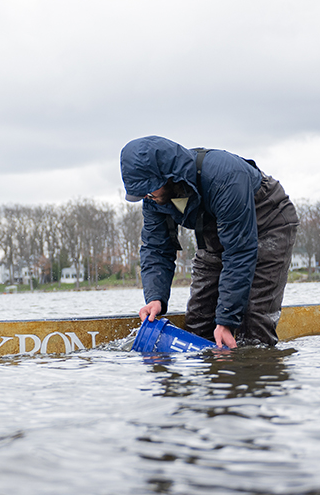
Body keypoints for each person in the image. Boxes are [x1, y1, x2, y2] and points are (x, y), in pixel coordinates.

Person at [120, 135, 298, 348]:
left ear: (168, 176)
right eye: (142, 194)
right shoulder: (155, 197)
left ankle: (253, 367)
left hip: (268, 223)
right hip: (217, 232)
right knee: (198, 322)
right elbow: (156, 248)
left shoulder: (224, 176)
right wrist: (155, 298)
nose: (147, 197)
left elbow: (239, 251)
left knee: (251, 327)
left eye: (149, 190)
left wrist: (226, 320)